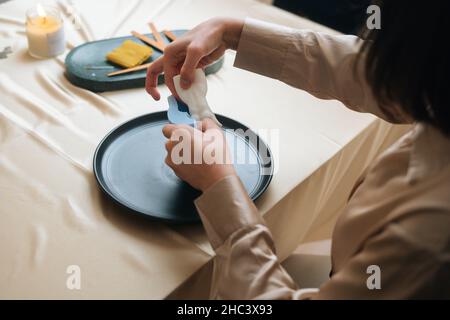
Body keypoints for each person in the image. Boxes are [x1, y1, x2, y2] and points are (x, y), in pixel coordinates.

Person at [145, 0, 450, 299]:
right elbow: (385, 76)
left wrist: (219, 185)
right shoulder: (433, 83)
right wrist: (233, 33)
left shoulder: (427, 240)